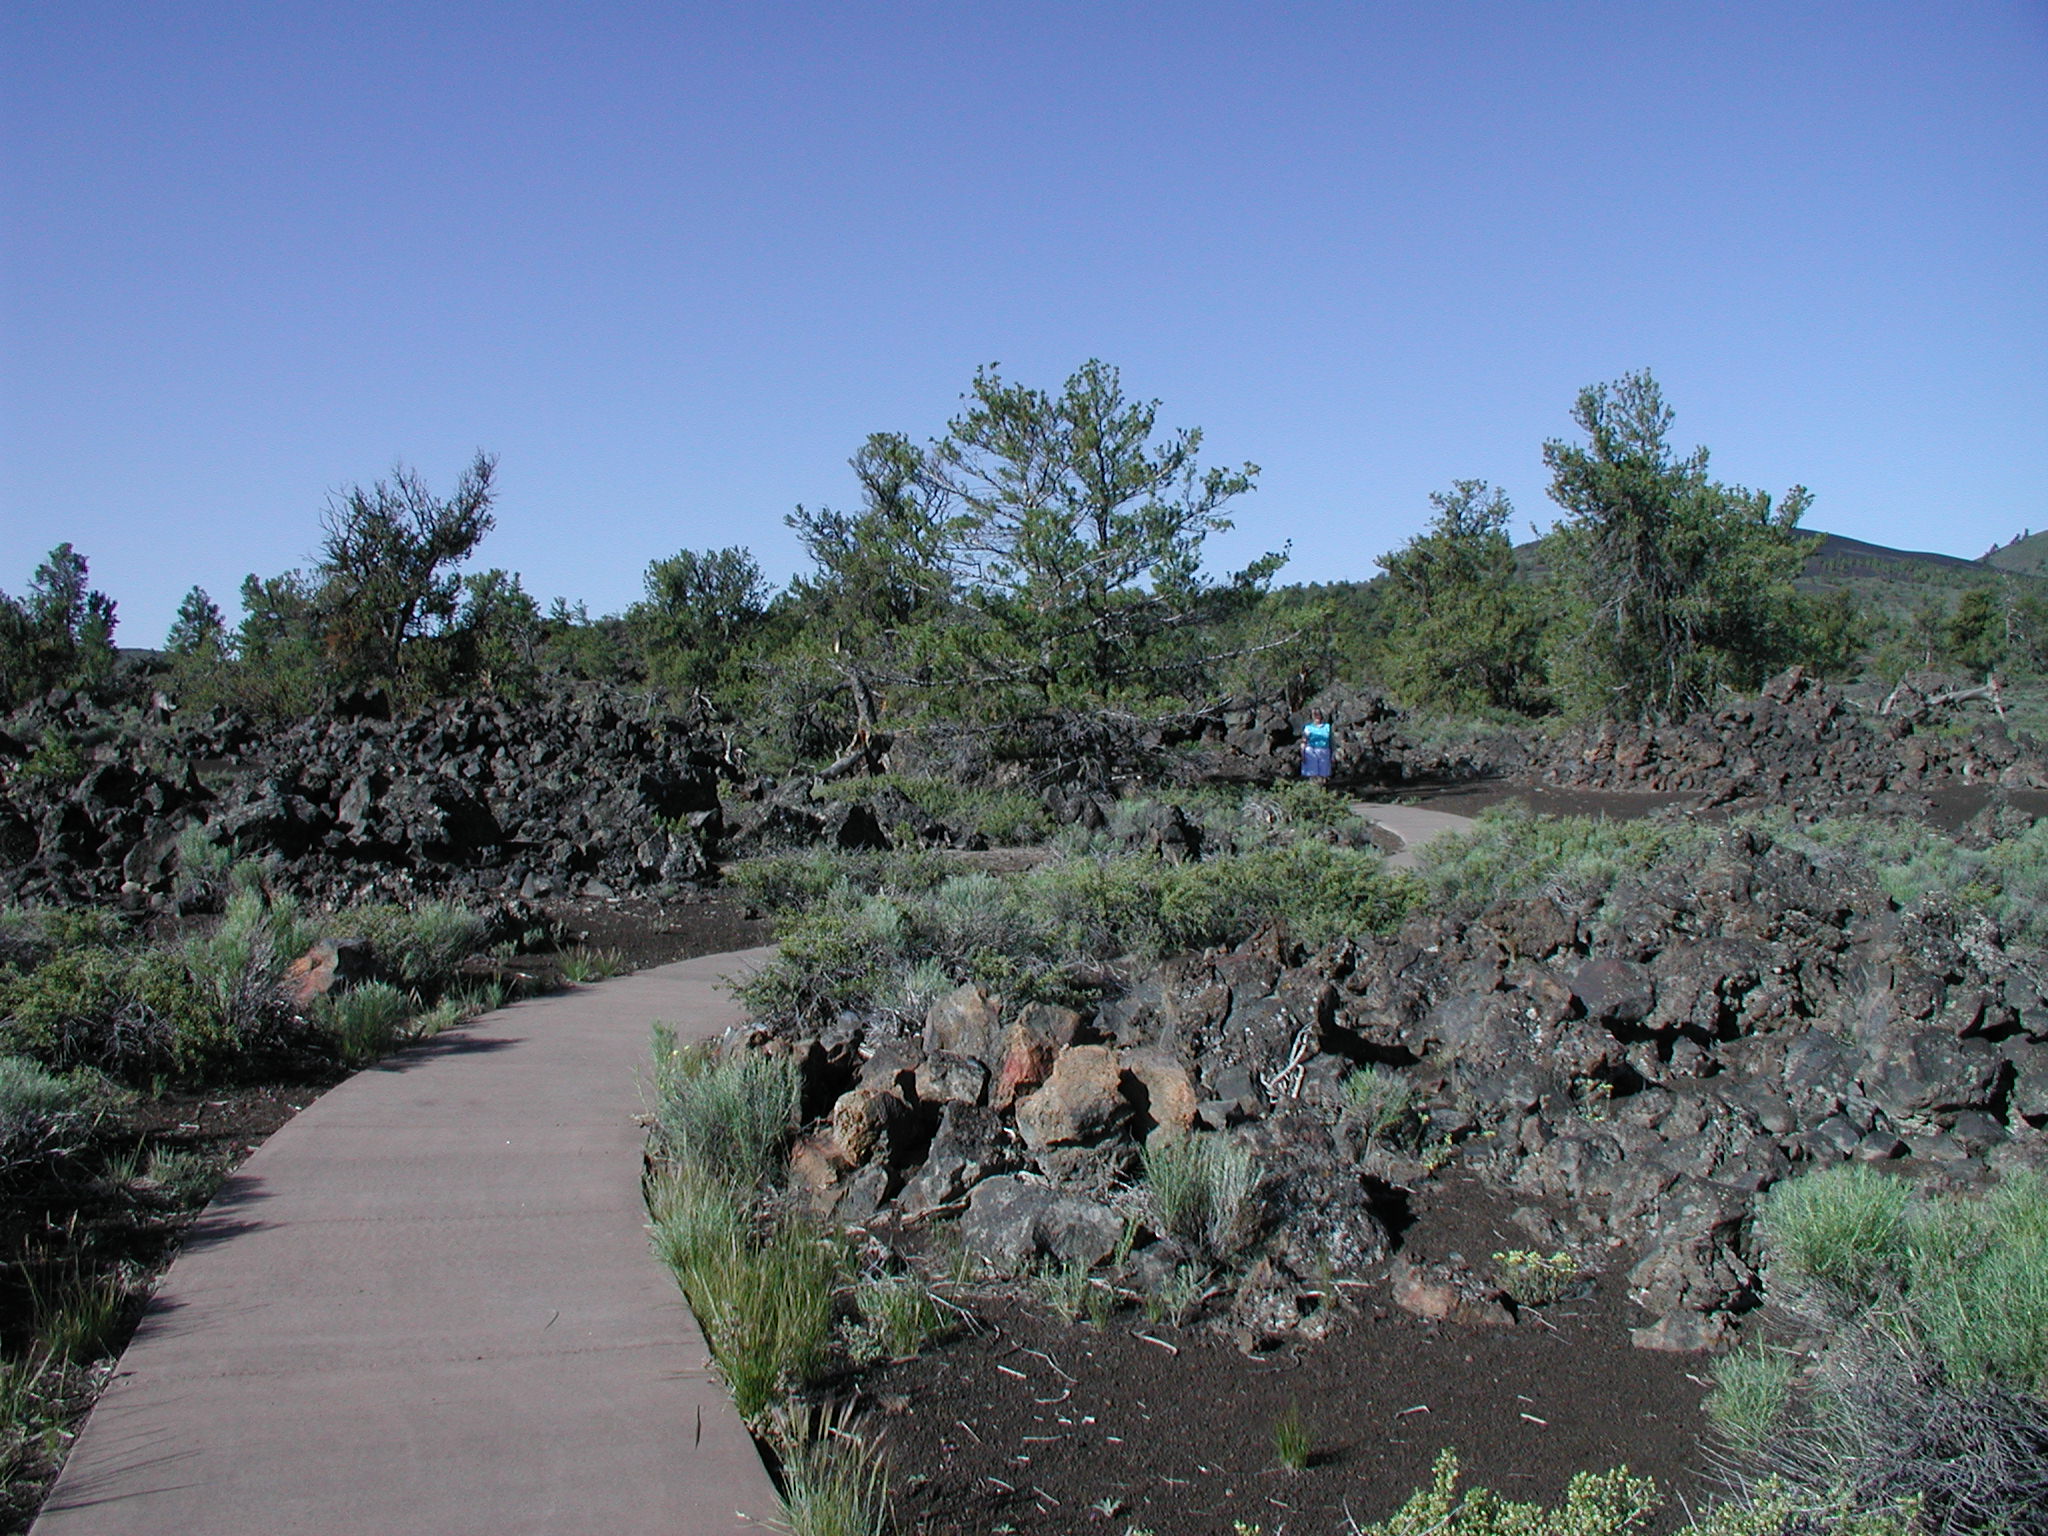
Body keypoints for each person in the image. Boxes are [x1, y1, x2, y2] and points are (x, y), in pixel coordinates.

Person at [1299, 707, 1333, 784]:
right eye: (1315, 715)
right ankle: (1313, 788)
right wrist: (1302, 754)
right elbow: (1304, 741)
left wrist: (1333, 753)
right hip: (1311, 751)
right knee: (1312, 773)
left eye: (1318, 714)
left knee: (1324, 773)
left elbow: (1331, 741)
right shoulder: (1308, 728)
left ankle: (1322, 788)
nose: (1317, 717)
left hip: (1324, 751)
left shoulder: (1327, 727)